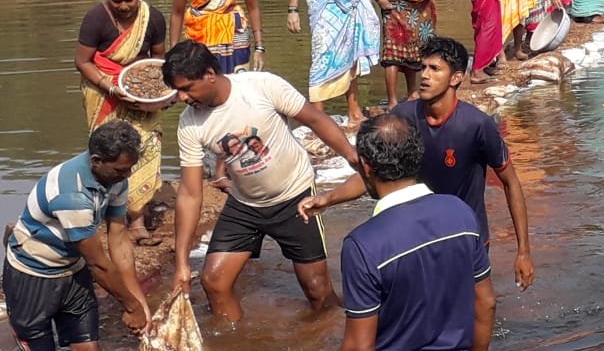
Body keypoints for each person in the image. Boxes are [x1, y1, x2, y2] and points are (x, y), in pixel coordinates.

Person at [299, 37, 535, 293]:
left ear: (455, 78)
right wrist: (328, 199)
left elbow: (510, 183)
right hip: (417, 237)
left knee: (470, 308)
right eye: (423, 68)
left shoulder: (476, 126)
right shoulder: (402, 118)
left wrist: (523, 250)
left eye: (435, 69)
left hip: (465, 235)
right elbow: (378, 175)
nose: (424, 75)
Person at [166, 41, 359, 323]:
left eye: (187, 88)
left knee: (318, 292)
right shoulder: (190, 124)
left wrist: (353, 158)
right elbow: (190, 194)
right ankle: (233, 339)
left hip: (295, 197)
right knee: (214, 282)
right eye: (178, 90)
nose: (182, 97)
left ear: (210, 74)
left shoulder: (261, 86)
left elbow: (316, 119)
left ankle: (338, 331)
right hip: (245, 205)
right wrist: (182, 265)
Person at [337, 114, 496, 351]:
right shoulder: (460, 212)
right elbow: (486, 303)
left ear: (366, 165)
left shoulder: (362, 245)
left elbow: (360, 345)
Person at [3, 120, 151, 349]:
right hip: (35, 273)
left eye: (130, 168)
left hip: (73, 267)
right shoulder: (71, 193)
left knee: (88, 346)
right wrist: (131, 306)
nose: (127, 174)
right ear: (96, 162)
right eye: (121, 170)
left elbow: (119, 237)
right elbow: (98, 264)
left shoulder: (115, 179)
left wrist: (138, 301)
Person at [75, 0, 167, 246]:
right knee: (110, 152)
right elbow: (83, 61)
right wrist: (112, 87)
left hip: (141, 92)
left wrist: (154, 94)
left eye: (130, 0)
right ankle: (110, 216)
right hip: (103, 92)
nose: (125, 7)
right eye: (118, 2)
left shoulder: (153, 18)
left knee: (147, 147)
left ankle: (137, 220)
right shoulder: (96, 18)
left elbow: (158, 60)